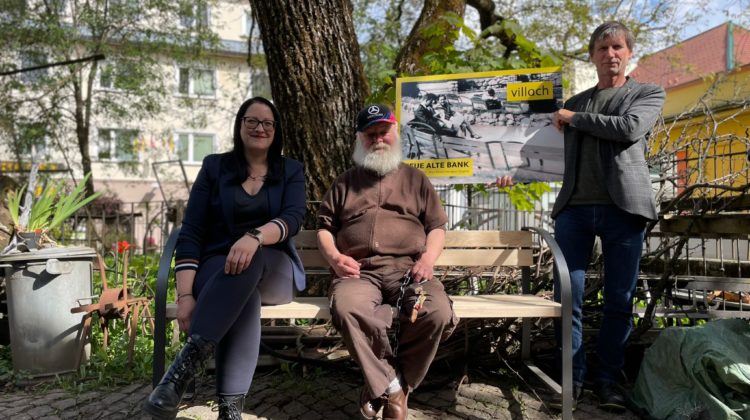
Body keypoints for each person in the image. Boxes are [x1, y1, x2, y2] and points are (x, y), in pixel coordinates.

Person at [143, 97, 306, 420]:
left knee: (252, 259)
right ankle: (230, 413)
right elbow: (191, 232)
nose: (260, 128)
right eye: (252, 121)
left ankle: (182, 371)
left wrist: (254, 237)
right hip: (218, 268)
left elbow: (294, 217)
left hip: (275, 269)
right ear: (240, 125)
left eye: (267, 123)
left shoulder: (290, 170)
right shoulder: (214, 167)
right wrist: (186, 295)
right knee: (244, 298)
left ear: (276, 130)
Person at [542, 21, 664, 411]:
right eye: (602, 49)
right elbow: (542, 149)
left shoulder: (646, 93)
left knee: (619, 300)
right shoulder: (574, 101)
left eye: (617, 47)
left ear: (629, 53)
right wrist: (513, 167)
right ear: (592, 56)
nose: (610, 55)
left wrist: (573, 119)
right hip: (574, 211)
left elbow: (629, 128)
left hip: (624, 209)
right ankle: (572, 381)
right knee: (568, 296)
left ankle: (608, 381)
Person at [317, 104, 458, 420]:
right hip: (358, 272)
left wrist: (427, 259)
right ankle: (394, 388)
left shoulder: (417, 180)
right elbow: (325, 229)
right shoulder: (344, 183)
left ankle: (380, 381)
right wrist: (335, 257)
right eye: (370, 134)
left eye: (383, 131)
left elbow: (436, 228)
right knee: (348, 308)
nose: (378, 139)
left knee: (436, 311)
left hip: (409, 270)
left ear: (396, 133)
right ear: (359, 139)